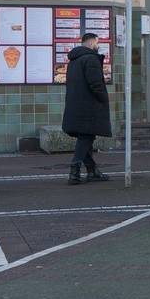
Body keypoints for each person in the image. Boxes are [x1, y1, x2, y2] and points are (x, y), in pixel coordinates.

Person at [62, 33, 112, 185]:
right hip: (89, 106)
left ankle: (92, 171)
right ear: (91, 44)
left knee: (85, 139)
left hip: (75, 104)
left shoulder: (74, 60)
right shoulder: (91, 59)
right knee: (86, 137)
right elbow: (96, 84)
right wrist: (104, 99)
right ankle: (74, 171)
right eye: (97, 43)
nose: (98, 46)